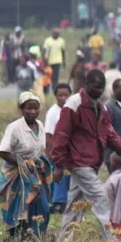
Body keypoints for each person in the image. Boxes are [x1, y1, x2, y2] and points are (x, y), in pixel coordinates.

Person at [51, 70, 121, 241]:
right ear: (86, 85)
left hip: (92, 162)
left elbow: (108, 131)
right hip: (79, 163)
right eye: (96, 87)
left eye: (102, 88)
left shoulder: (99, 106)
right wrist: (58, 165)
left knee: (75, 207)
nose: (99, 91)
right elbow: (61, 135)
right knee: (102, 201)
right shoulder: (73, 105)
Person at [0, 92, 53, 238]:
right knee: (19, 211)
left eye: (35, 108)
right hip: (16, 176)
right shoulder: (14, 128)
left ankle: (38, 237)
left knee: (43, 208)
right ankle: (19, 241)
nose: (32, 112)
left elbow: (39, 150)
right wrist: (22, 163)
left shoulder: (40, 125)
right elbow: (3, 151)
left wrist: (38, 164)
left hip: (34, 175)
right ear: (22, 109)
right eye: (28, 108)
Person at [45, 83, 72, 215]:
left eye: (66, 95)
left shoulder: (72, 110)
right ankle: (58, 203)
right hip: (57, 151)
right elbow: (49, 136)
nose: (63, 98)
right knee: (59, 177)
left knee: (68, 178)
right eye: (60, 95)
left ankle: (66, 202)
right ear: (55, 96)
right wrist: (49, 154)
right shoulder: (52, 113)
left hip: (70, 151)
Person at [105, 152, 121, 239]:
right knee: (112, 236)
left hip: (116, 215)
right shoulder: (116, 175)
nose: (109, 163)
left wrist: (116, 218)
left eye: (111, 161)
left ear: (115, 163)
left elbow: (120, 199)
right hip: (110, 212)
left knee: (119, 237)